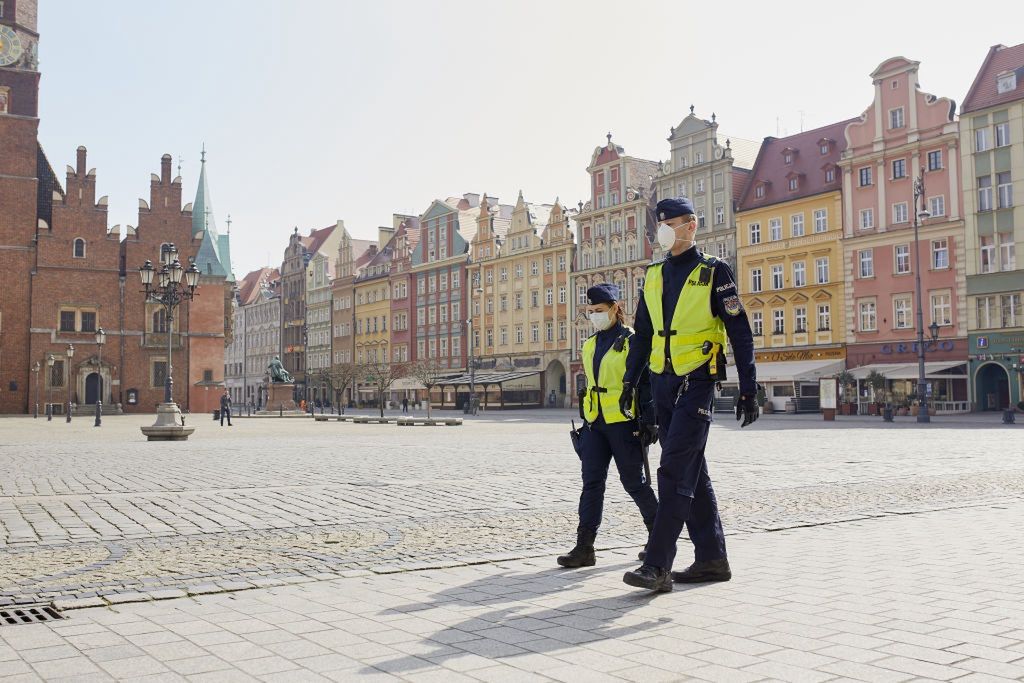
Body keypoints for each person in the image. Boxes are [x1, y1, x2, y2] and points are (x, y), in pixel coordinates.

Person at [621, 197, 759, 592]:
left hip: (697, 381)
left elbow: (739, 331)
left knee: (673, 470)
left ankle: (657, 564)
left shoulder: (715, 271)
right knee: (691, 471)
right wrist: (632, 382)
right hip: (662, 382)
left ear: (691, 225)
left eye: (670, 222)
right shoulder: (652, 275)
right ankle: (712, 558)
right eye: (658, 223)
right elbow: (643, 335)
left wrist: (748, 387)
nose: (662, 229)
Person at [557, 283, 659, 569]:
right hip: (595, 424)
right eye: (590, 312)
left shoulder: (632, 341)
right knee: (591, 485)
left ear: (616, 308)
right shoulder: (590, 344)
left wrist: (651, 421)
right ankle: (584, 547)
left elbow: (647, 383)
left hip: (625, 423)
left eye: (599, 311)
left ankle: (659, 540)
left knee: (634, 484)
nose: (595, 316)